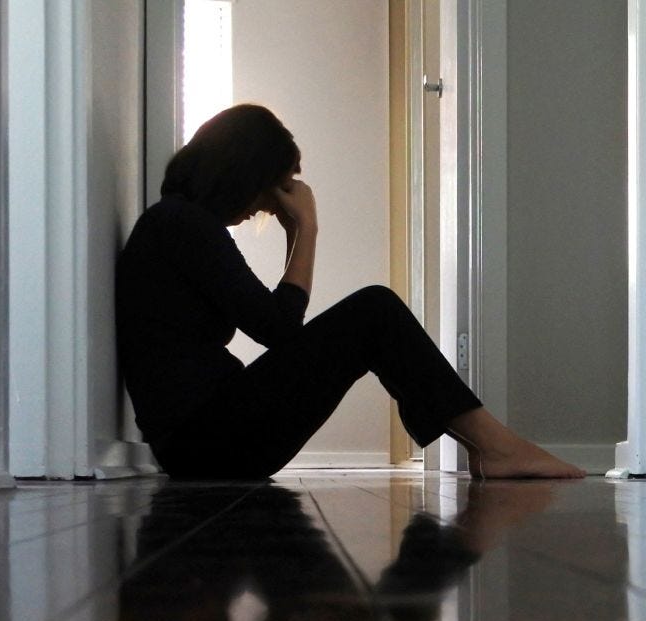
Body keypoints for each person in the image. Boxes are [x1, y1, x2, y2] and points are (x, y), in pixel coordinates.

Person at [116, 104, 584, 480]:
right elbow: (277, 327)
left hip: (205, 440)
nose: (263, 206)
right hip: (205, 443)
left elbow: (274, 326)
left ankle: (487, 444)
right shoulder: (181, 224)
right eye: (268, 190)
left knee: (373, 313)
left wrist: (300, 231)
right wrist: (307, 229)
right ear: (242, 173)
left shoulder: (176, 224)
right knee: (373, 311)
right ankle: (492, 445)